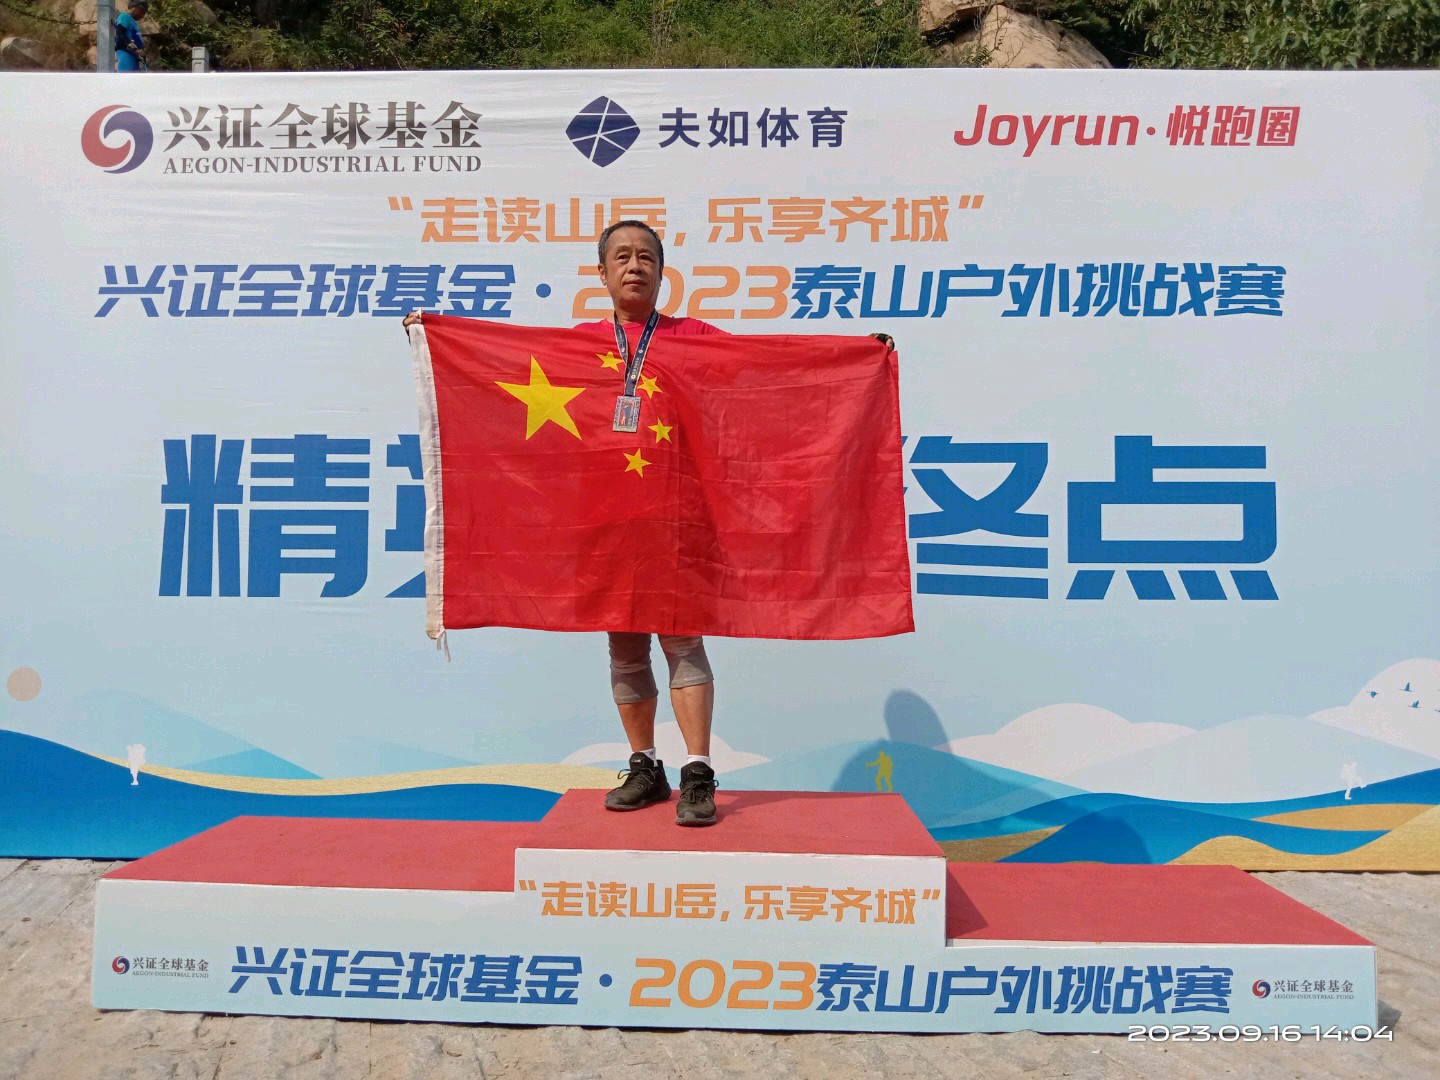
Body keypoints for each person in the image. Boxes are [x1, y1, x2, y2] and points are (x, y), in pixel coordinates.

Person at [404, 219, 893, 827]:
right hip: (606, 523)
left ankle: (698, 772)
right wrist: (437, 336)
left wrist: (854, 356)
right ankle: (644, 766)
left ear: (663, 273)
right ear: (601, 272)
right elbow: (494, 367)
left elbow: (772, 370)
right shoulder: (573, 347)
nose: (634, 266)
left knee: (682, 641)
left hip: (678, 523)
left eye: (646, 257)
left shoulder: (696, 339)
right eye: (622, 257)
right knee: (625, 645)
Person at [115, 1, 148, 73]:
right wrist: (130, 45)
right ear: (134, 7)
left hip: (135, 55)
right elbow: (120, 31)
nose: (143, 15)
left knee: (134, 78)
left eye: (144, 13)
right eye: (142, 11)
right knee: (125, 77)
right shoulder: (124, 16)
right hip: (126, 52)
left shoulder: (133, 22)